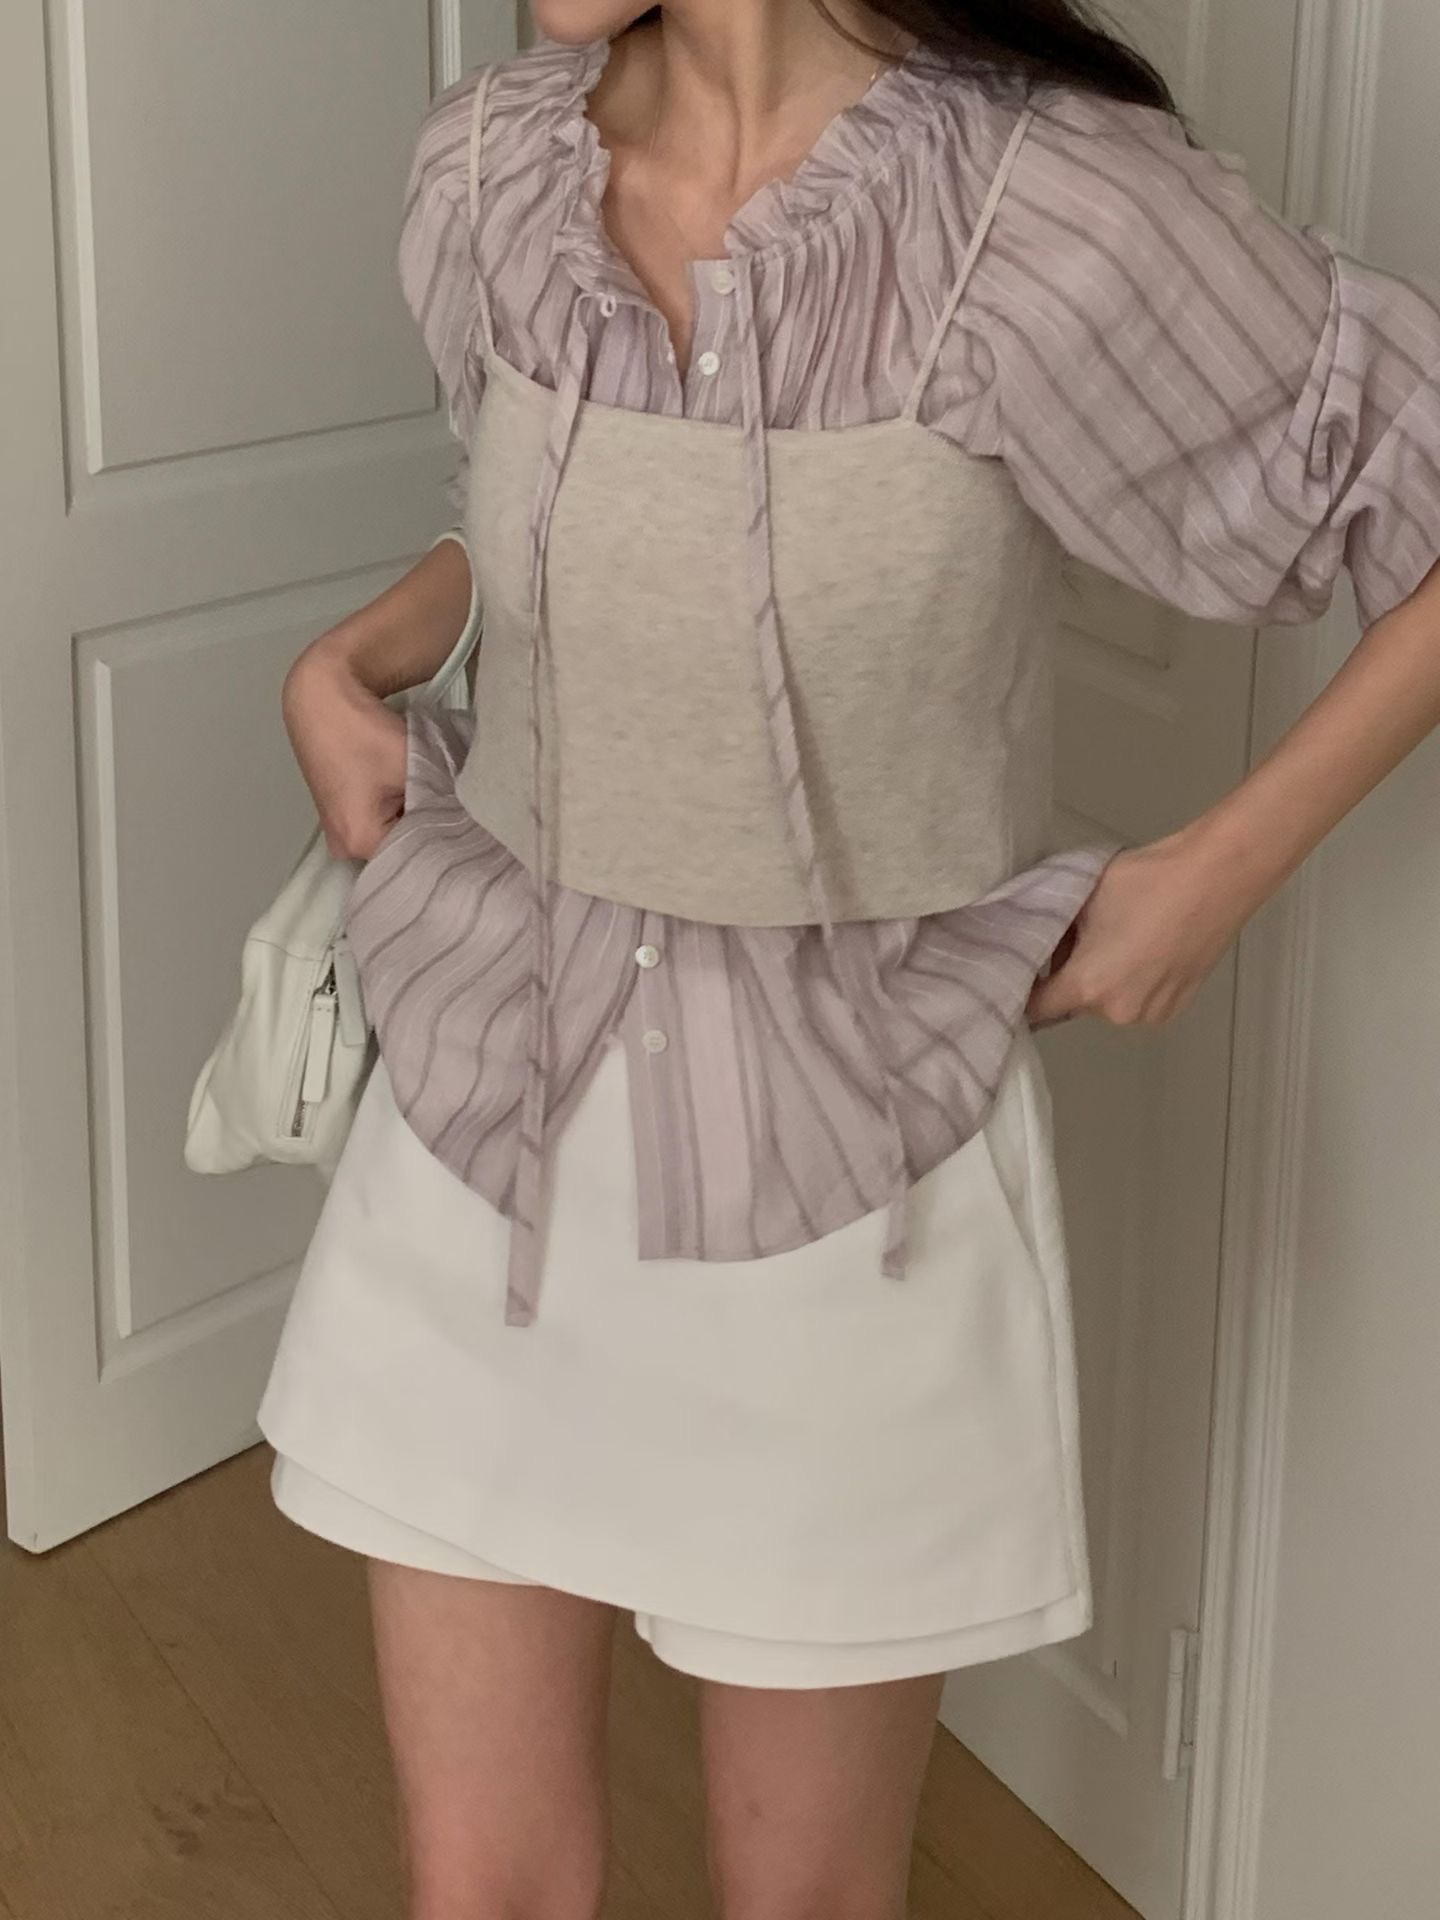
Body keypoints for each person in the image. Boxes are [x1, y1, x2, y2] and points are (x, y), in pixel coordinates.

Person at [257, 3, 1440, 1915]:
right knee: (480, 1889)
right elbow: (543, 524)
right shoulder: (489, 170)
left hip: (844, 1184)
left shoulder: (1046, 214)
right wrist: (354, 654)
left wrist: (1216, 876)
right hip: (486, 1135)